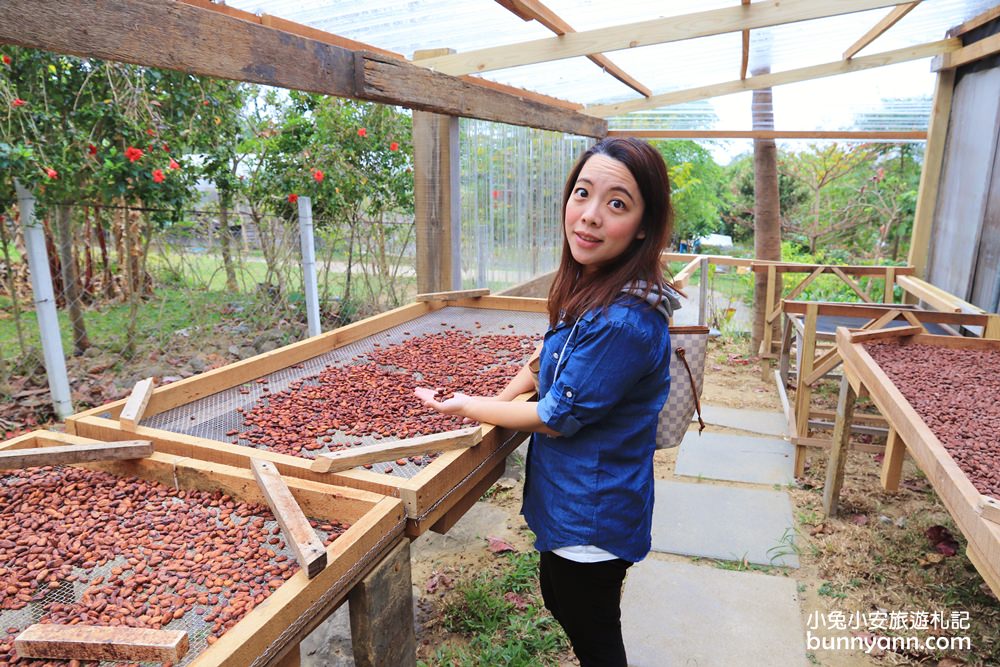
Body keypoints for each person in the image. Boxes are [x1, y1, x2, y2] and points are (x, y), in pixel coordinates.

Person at [415, 137, 679, 666]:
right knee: (563, 601)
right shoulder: (595, 282)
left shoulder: (623, 320)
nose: (590, 216)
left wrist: (467, 405)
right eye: (582, 194)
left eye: (617, 203)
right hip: (571, 499)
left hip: (592, 511)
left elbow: (554, 418)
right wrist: (504, 393)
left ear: (645, 226)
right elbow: (550, 355)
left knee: (594, 634)